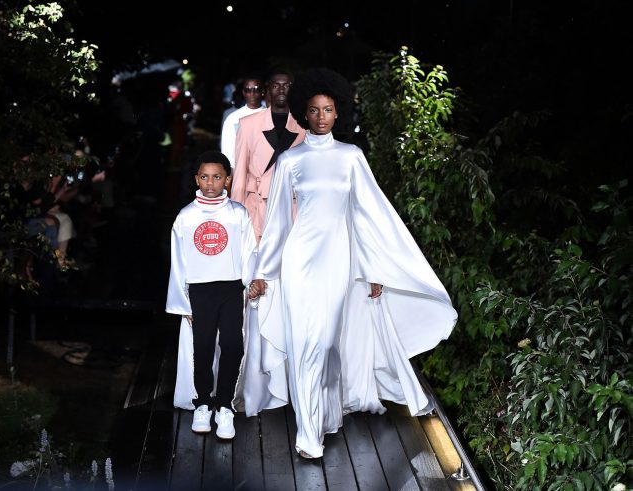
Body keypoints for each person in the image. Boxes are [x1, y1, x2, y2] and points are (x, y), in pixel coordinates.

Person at [242, 68, 458, 459]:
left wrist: (374, 268)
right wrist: (262, 272)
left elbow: (368, 216)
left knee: (325, 344)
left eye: (327, 109)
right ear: (304, 115)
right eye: (313, 110)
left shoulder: (351, 157)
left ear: (337, 114)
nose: (321, 116)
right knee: (304, 343)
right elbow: (276, 224)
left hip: (338, 263)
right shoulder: (290, 160)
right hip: (298, 263)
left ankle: (324, 413)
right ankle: (308, 434)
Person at [166, 151, 257, 438]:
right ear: (196, 179)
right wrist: (183, 301)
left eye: (217, 177)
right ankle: (203, 403)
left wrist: (249, 281)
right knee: (202, 348)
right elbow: (178, 261)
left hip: (230, 288)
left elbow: (249, 251)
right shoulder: (186, 217)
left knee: (232, 346)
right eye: (204, 177)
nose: (210, 183)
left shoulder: (237, 213)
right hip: (199, 291)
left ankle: (225, 406)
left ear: (227, 180)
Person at [230, 69, 306, 242]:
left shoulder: (304, 126)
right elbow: (240, 171)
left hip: (292, 205)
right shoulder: (248, 124)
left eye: (287, 85)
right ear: (269, 89)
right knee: (257, 261)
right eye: (276, 85)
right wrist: (236, 211)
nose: (281, 89)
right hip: (257, 204)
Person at [220, 75, 266, 170]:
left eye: (256, 89)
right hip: (240, 173)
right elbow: (227, 152)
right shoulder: (233, 118)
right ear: (244, 93)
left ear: (262, 92)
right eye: (248, 90)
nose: (252, 93)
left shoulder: (271, 117)